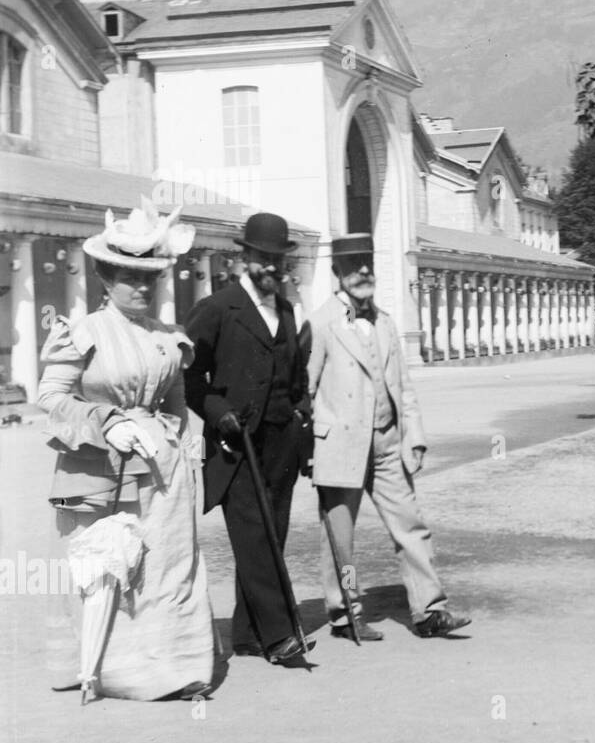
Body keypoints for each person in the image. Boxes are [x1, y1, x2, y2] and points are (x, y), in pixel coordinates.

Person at [38, 200, 214, 700]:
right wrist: (107, 421)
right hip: (100, 464)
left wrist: (178, 440)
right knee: (109, 565)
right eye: (128, 277)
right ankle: (104, 666)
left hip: (164, 474)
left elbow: (178, 401)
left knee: (167, 564)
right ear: (105, 279)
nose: (141, 287)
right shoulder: (84, 332)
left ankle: (174, 669)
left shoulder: (169, 338)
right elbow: (50, 398)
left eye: (150, 278)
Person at [301, 234, 471, 641]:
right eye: (353, 265)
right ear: (336, 272)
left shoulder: (386, 321)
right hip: (339, 448)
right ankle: (345, 614)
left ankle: (430, 610)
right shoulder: (319, 323)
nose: (363, 272)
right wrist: (309, 450)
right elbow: (302, 392)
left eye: (368, 264)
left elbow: (404, 385)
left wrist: (414, 436)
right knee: (340, 539)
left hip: (387, 444)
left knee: (411, 525)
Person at [184, 212, 311, 664]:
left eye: (278, 259)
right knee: (253, 535)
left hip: (281, 444)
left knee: (271, 534)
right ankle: (279, 635)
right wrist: (219, 415)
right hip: (234, 444)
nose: (271, 267)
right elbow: (189, 375)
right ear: (244, 257)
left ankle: (247, 632)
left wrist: (301, 419)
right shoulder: (218, 308)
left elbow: (297, 380)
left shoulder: (289, 311)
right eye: (263, 258)